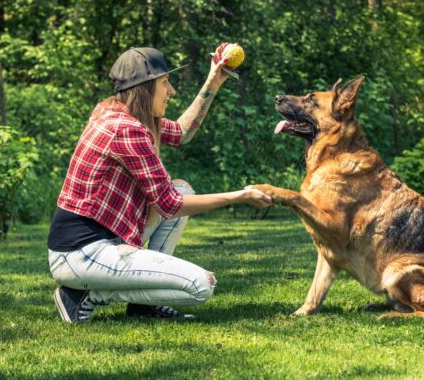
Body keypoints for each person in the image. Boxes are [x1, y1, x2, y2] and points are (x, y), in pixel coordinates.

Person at [47, 45, 272, 323]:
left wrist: (215, 79)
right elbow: (169, 205)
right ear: (145, 87)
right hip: (81, 253)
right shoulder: (126, 129)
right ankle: (84, 297)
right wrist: (239, 195)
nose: (172, 91)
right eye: (165, 83)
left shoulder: (118, 113)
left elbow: (181, 133)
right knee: (201, 286)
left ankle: (143, 306)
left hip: (97, 242)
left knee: (182, 188)